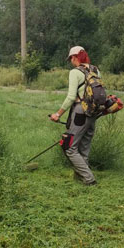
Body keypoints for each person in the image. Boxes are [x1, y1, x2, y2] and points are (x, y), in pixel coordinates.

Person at [50, 46, 98, 186]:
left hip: (80, 112)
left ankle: (89, 179)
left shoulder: (75, 72)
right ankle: (79, 178)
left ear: (74, 57)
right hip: (93, 112)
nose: (71, 61)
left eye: (71, 58)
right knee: (84, 146)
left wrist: (58, 114)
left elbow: (71, 97)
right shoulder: (95, 70)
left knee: (69, 147)